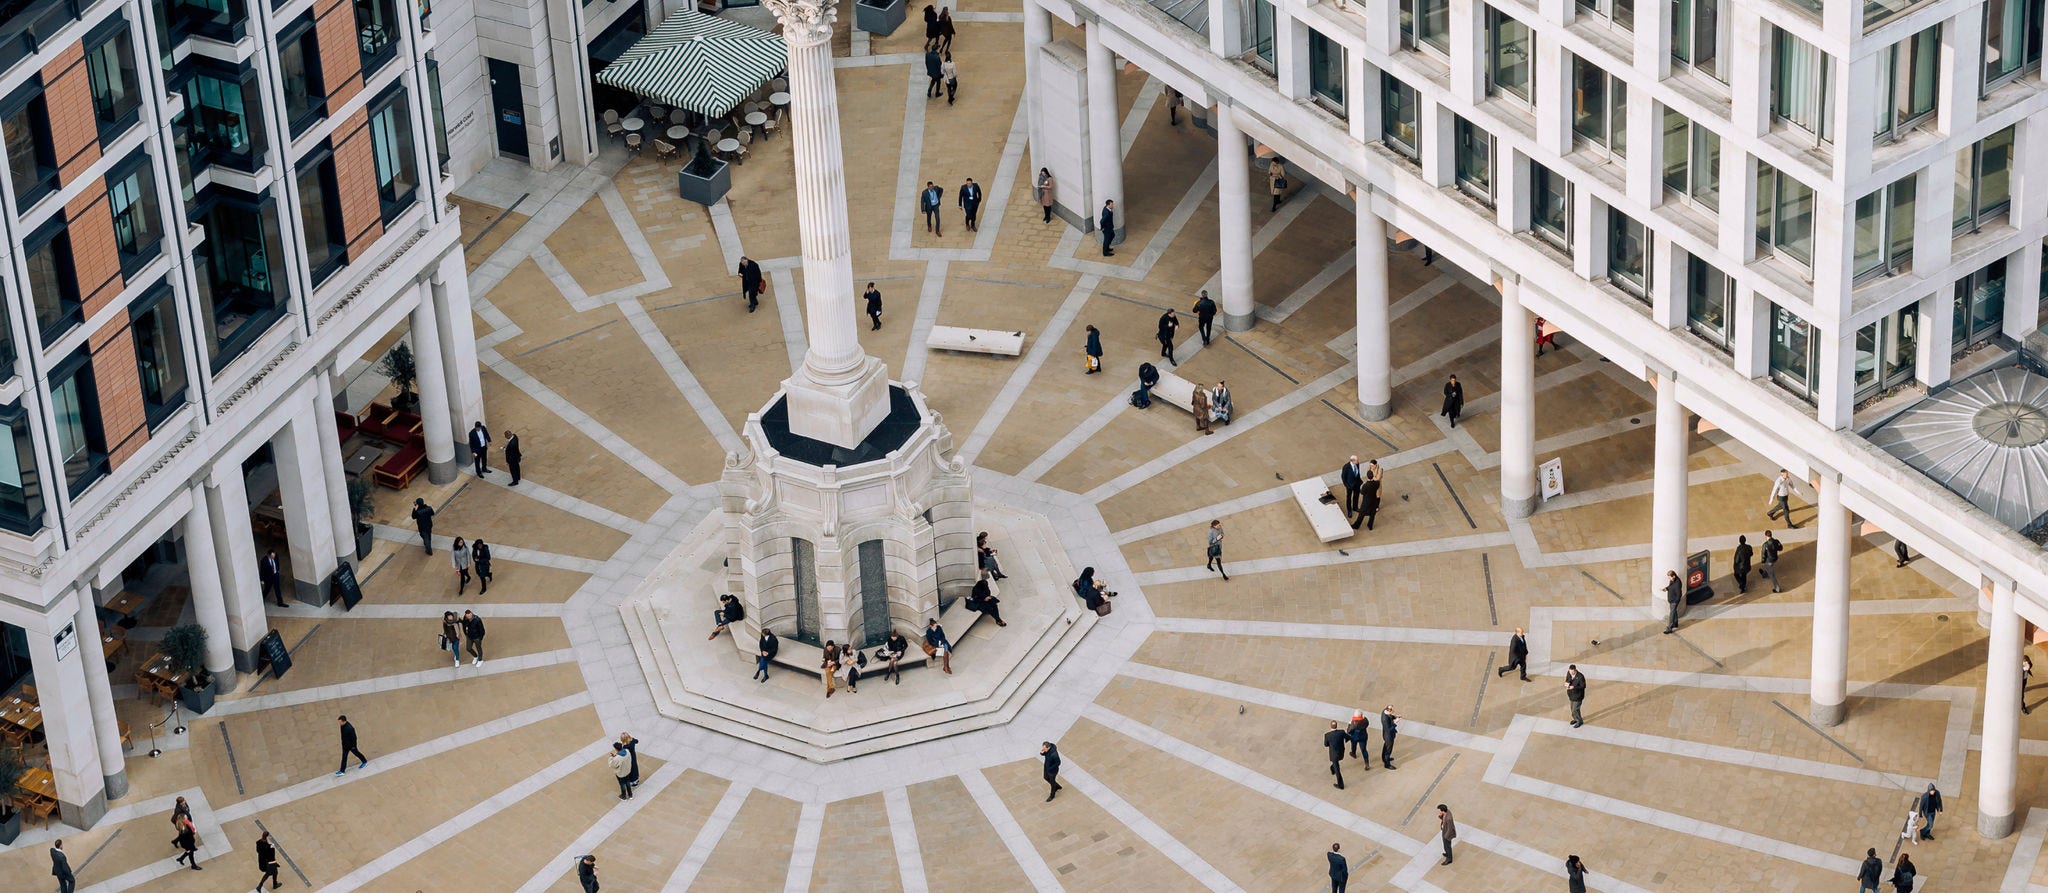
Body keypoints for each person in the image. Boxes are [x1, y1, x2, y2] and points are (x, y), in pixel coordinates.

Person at [1324, 720, 1349, 789]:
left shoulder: (1327, 735)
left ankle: (1341, 785)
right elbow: (1348, 737)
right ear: (1336, 726)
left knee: (1337, 769)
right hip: (1341, 752)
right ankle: (1332, 769)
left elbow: (1326, 744)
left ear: (1330, 726)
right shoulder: (1341, 732)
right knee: (1335, 764)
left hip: (1333, 754)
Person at [1661, 569, 1683, 634]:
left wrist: (1675, 602)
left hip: (1674, 601)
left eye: (1669, 577)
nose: (1669, 579)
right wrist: (1666, 588)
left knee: (1671, 614)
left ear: (1673, 576)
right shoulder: (1672, 580)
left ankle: (1669, 628)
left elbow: (1679, 595)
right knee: (1674, 611)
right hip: (1671, 600)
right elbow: (1671, 586)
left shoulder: (1677, 584)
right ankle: (1675, 623)